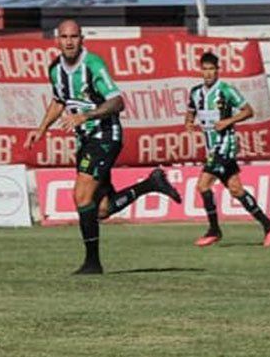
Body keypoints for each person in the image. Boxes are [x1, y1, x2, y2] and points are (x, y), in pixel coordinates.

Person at [25, 19, 182, 274]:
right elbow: (59, 101)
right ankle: (151, 183)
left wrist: (86, 116)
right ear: (57, 41)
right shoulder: (55, 69)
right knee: (101, 209)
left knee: (81, 195)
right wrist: (41, 129)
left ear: (82, 39)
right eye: (64, 37)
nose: (69, 42)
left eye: (74, 37)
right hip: (85, 140)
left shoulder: (93, 65)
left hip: (105, 136)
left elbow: (118, 102)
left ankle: (92, 264)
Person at [183, 51, 270, 247]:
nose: (208, 73)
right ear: (201, 70)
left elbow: (248, 111)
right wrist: (189, 123)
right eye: (205, 69)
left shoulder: (226, 90)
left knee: (203, 185)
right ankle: (268, 224)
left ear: (218, 70)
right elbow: (190, 113)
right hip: (211, 148)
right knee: (236, 189)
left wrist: (228, 121)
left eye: (211, 69)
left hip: (225, 146)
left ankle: (214, 230)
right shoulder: (195, 92)